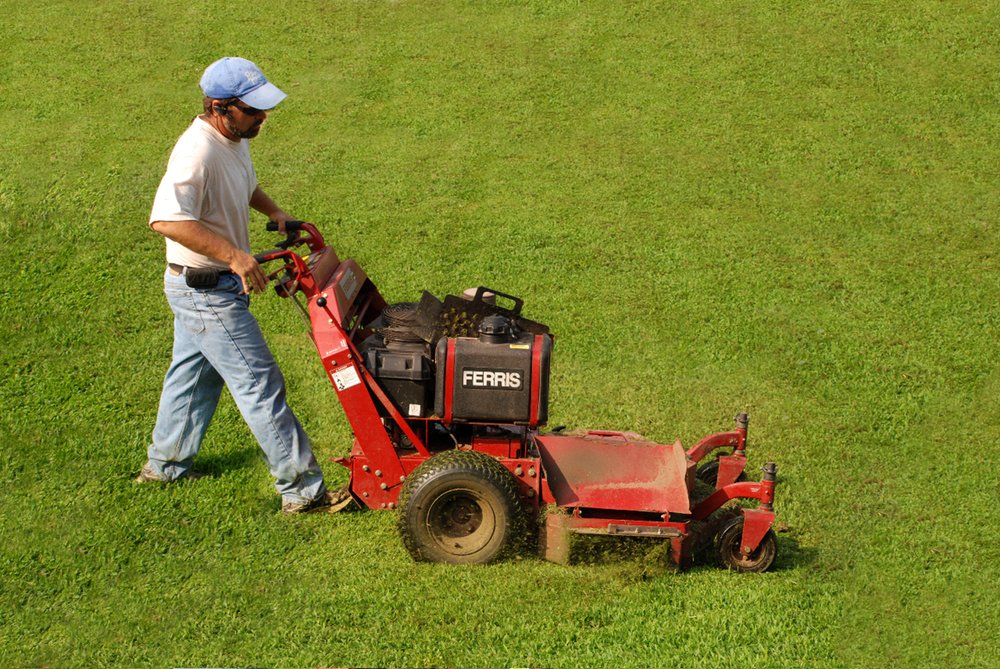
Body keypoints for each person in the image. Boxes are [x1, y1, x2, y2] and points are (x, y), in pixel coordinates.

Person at [138, 56, 350, 514]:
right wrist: (235, 255)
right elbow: (166, 220)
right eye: (253, 111)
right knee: (260, 383)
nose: (263, 118)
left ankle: (165, 466)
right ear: (220, 107)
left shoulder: (232, 137)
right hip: (205, 288)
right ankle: (303, 492)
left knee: (193, 376)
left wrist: (274, 213)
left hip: (207, 288)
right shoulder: (196, 152)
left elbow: (245, 183)